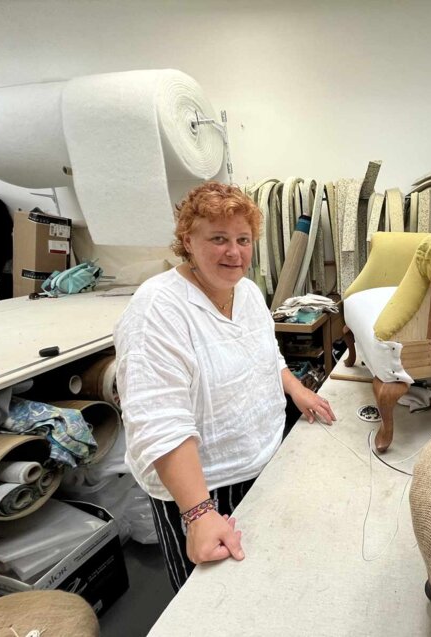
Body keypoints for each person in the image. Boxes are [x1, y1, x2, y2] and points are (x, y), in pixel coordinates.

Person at [114, 181, 336, 591]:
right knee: (211, 602)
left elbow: (265, 353)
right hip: (202, 489)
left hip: (264, 463)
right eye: (218, 239)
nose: (233, 252)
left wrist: (294, 387)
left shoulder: (247, 292)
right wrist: (198, 514)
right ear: (187, 240)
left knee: (266, 585)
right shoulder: (158, 308)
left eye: (243, 239)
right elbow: (158, 420)